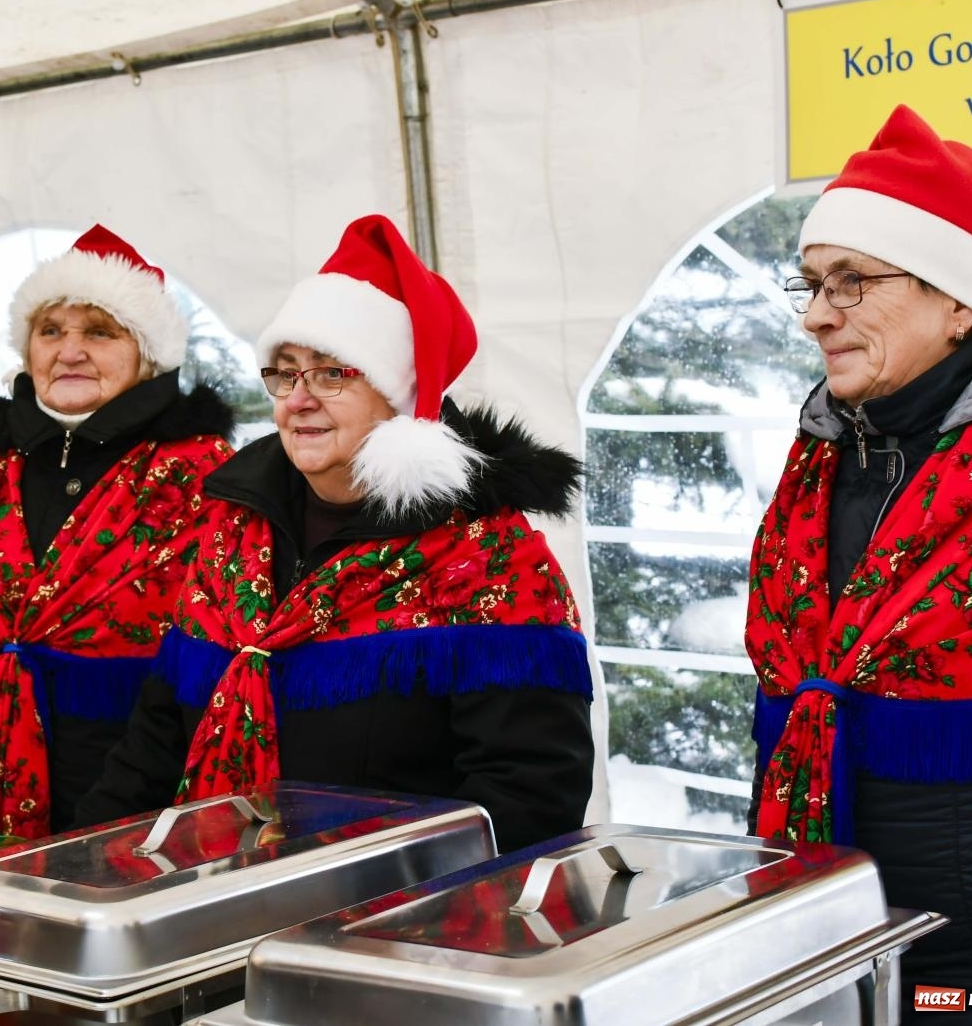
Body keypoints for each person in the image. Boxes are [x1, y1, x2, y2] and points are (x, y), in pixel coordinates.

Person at [75, 214, 595, 852]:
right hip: (209, 907)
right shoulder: (228, 532)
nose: (298, 399)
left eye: (333, 374)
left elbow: (530, 796)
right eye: (286, 372)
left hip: (388, 929)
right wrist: (86, 864)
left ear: (399, 398)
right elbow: (156, 736)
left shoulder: (485, 560)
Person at [746, 105, 972, 1015]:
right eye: (811, 282)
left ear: (956, 298)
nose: (818, 315)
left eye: (852, 282)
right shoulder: (819, 452)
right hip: (831, 931)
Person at [0, 225, 234, 907]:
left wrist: (101, 843)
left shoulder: (200, 481)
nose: (71, 349)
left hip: (129, 831)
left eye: (101, 331)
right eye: (51, 329)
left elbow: (198, 696)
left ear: (148, 355)